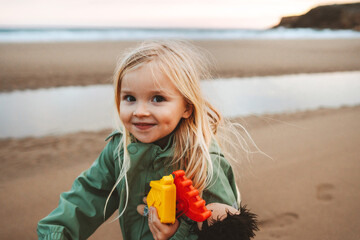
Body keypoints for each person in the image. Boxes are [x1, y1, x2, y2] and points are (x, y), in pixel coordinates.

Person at [37, 40, 249, 240]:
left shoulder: (204, 161)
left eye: (157, 99)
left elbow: (228, 233)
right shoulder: (120, 150)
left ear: (186, 107)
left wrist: (176, 234)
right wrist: (56, 233)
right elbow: (85, 199)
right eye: (130, 98)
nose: (140, 111)